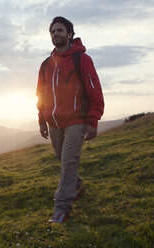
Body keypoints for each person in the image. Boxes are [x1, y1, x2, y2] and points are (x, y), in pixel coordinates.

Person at [36, 16, 104, 223]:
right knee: (61, 158)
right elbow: (41, 93)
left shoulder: (82, 59)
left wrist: (93, 120)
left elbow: (95, 91)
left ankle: (62, 207)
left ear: (69, 34)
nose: (55, 34)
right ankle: (76, 184)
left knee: (68, 160)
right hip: (54, 122)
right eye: (52, 31)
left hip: (76, 119)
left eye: (59, 30)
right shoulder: (46, 64)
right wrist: (41, 118)